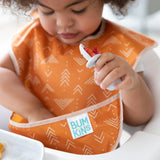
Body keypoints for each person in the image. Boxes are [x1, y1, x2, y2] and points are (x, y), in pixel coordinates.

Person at [0, 0, 155, 155]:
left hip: (95, 153)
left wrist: (131, 84)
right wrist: (34, 110)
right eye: (48, 12)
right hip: (34, 149)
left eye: (78, 10)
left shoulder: (122, 47)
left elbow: (139, 119)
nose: (63, 23)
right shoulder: (34, 36)